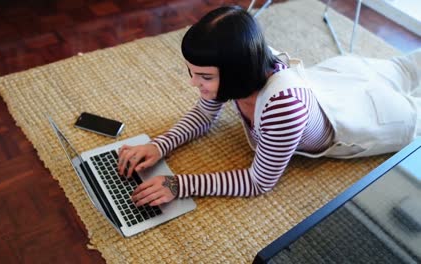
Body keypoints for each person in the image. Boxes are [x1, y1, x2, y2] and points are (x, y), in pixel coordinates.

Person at [117, 5, 421, 207]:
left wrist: (177, 184)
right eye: (192, 73)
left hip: (379, 116)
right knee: (407, 68)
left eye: (204, 76)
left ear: (236, 69)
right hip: (341, 78)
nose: (193, 83)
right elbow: (204, 116)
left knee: (410, 80)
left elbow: (258, 181)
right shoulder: (246, 58)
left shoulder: (282, 107)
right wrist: (160, 146)